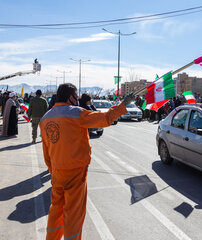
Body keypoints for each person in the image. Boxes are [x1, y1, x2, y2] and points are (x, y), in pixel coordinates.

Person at [39, 83, 134, 240]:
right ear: (70, 97)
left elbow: (46, 151)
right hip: (75, 170)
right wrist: (123, 105)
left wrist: (52, 170)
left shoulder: (46, 117)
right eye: (76, 96)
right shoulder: (76, 113)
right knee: (73, 212)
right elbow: (105, 119)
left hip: (56, 171)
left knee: (56, 209)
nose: (77, 99)